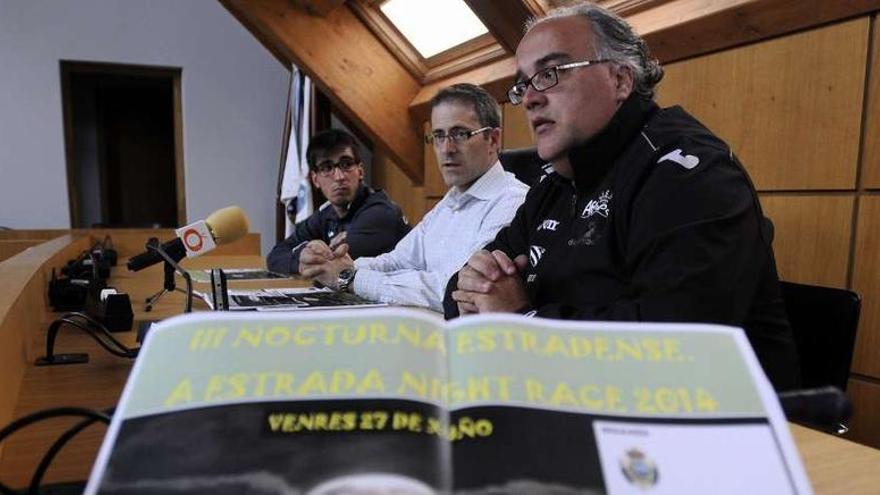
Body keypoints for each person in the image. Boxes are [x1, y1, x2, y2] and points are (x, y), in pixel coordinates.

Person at [444, 2, 800, 390]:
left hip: (722, 426)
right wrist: (480, 289)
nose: (530, 98)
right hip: (570, 399)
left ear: (620, 80)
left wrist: (521, 322)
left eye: (550, 74)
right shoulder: (556, 183)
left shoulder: (691, 175)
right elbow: (458, 290)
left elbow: (673, 349)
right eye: (523, 84)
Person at [298, 83, 529, 312]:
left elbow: (456, 291)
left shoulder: (513, 203)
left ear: (493, 139)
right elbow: (397, 261)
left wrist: (350, 277)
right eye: (438, 136)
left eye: (460, 134)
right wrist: (330, 265)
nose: (447, 148)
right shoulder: (450, 202)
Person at [267, 129, 410, 274]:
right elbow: (275, 256)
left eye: (346, 164)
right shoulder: (327, 213)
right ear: (315, 179)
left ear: (360, 171)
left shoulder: (380, 212)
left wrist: (312, 254)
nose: (339, 176)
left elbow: (336, 265)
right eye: (327, 168)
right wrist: (302, 258)